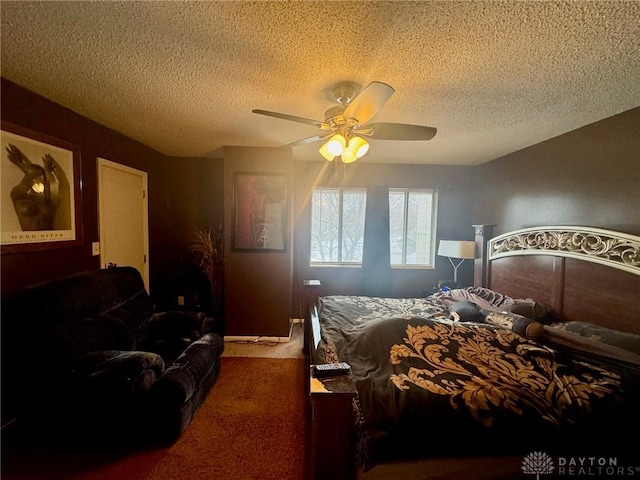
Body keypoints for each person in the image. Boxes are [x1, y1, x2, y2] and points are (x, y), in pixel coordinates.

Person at [6, 144, 60, 231]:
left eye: (42, 178)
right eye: (36, 178)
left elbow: (40, 177)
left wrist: (47, 173)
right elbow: (34, 173)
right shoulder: (18, 194)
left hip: (51, 241)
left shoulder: (46, 198)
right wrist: (20, 163)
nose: (39, 180)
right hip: (30, 243)